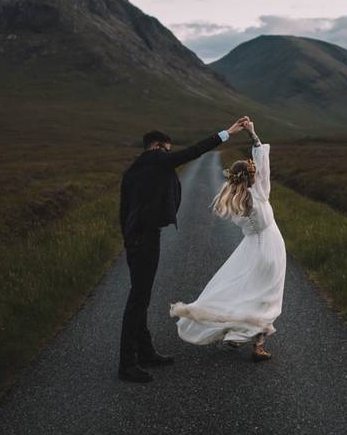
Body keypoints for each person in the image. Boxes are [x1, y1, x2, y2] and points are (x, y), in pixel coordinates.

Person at [118, 117, 249, 383]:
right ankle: (126, 364)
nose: (168, 154)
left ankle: (145, 352)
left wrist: (129, 240)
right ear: (156, 146)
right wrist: (227, 133)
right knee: (138, 301)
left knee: (140, 297)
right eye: (166, 148)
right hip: (144, 239)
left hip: (136, 239)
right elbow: (193, 152)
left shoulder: (134, 169)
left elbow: (124, 209)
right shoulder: (155, 159)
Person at [169, 118, 286, 362]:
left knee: (244, 291)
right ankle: (257, 344)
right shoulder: (259, 194)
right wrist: (252, 133)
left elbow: (258, 167)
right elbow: (263, 161)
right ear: (252, 177)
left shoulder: (233, 200)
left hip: (250, 249)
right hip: (272, 249)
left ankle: (237, 332)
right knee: (267, 297)